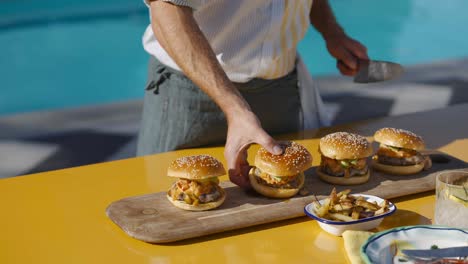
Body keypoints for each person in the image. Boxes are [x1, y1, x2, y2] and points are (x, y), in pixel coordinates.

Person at [137, 0, 369, 188]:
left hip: (281, 90)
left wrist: (333, 32)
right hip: (188, 95)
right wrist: (235, 110)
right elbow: (167, 9)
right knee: (170, 204)